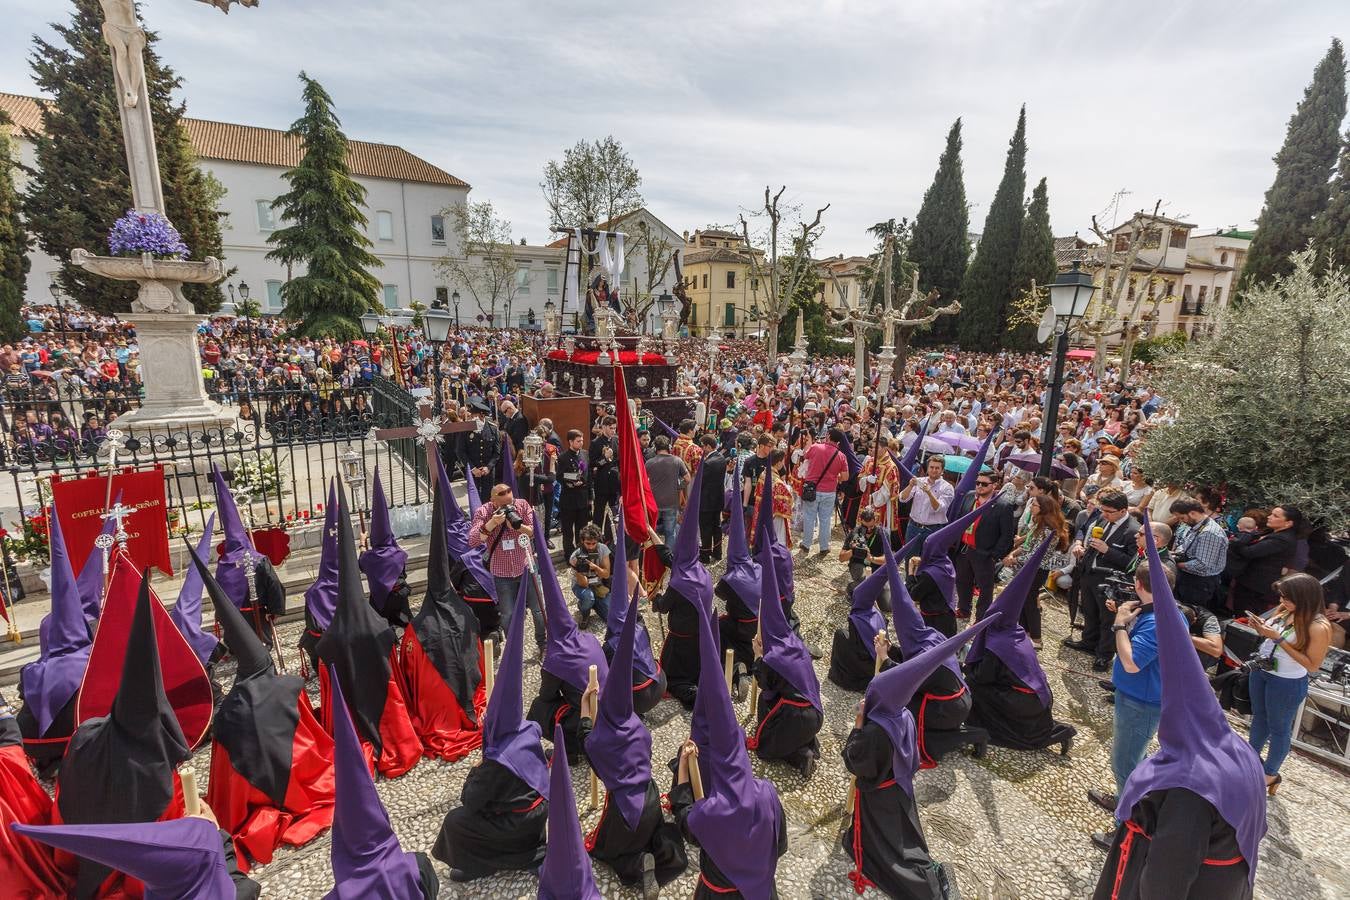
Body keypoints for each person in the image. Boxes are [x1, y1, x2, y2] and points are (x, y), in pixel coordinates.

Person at [1091, 525, 1267, 899]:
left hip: (1195, 884)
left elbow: (1167, 877)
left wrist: (1121, 623)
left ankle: (1118, 815)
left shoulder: (1191, 785)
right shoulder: (1239, 752)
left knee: (1126, 761)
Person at [844, 619, 995, 899]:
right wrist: (884, 658)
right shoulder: (903, 715)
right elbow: (897, 683)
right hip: (901, 788)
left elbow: (855, 761)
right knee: (906, 840)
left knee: (889, 854)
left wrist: (857, 726)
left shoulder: (875, 731)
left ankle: (932, 888)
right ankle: (929, 871)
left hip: (880, 798)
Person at [433, 582, 549, 883]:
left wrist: (476, 769)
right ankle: (531, 852)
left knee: (456, 821)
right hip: (540, 813)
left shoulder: (497, 757)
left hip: (519, 821)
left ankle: (482, 864)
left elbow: (470, 800)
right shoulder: (527, 730)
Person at [581, 588, 688, 897]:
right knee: (650, 832)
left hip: (627, 811)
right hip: (652, 798)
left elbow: (588, 742)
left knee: (605, 851)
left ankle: (638, 864)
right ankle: (656, 848)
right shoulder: (640, 730)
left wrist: (587, 713)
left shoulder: (600, 741)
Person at [1086, 559, 1170, 850]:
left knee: (1125, 764)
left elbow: (1132, 662)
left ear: (1138, 584)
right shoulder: (1156, 611)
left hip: (1141, 700)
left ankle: (1126, 829)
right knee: (1134, 758)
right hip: (1137, 696)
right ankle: (1124, 800)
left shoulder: (1158, 621)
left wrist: (1120, 625)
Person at [965, 538, 1077, 756]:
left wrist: (966, 666)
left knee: (975, 687)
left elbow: (984, 676)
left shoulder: (998, 643)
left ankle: (980, 731)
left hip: (1025, 700)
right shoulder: (1015, 631)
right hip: (1037, 694)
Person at [1244, 573, 1332, 794]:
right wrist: (1261, 629)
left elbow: (1312, 665)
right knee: (1259, 718)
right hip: (1263, 672)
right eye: (1281, 597)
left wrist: (1278, 639)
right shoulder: (1284, 611)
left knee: (1279, 728)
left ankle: (1270, 773)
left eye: (1287, 598)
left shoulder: (1318, 626)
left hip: (1286, 682)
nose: (1282, 601)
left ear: (1303, 598)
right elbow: (1271, 636)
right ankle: (1250, 761)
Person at [746, 538, 823, 778]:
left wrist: (759, 658)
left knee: (766, 748)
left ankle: (801, 754)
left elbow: (765, 685)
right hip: (816, 712)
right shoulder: (796, 644)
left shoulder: (773, 657)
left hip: (798, 715)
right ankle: (809, 742)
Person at [1064, 488, 1140, 672]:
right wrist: (1081, 548)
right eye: (1103, 510)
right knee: (1089, 610)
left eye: (1109, 512)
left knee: (1108, 618)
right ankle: (1088, 641)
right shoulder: (1102, 519)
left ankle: (1104, 655)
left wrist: (1108, 550)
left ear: (1123, 511)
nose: (1104, 515)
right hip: (1090, 572)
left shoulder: (1133, 531)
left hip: (1110, 580)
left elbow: (1133, 562)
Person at [469, 482, 543, 651]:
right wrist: (491, 524)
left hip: (526, 567)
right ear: (493, 501)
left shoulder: (522, 505)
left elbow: (533, 531)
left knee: (538, 610)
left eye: (510, 503)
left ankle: (542, 643)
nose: (508, 508)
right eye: (503, 506)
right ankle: (514, 650)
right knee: (508, 615)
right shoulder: (484, 512)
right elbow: (472, 540)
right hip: (502, 574)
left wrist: (517, 526)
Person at [1003, 494, 1072, 647]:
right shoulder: (1038, 525)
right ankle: (1023, 631)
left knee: (1030, 601)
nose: (1031, 507)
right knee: (1022, 600)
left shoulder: (1048, 531)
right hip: (1026, 568)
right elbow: (1027, 546)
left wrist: (1014, 560)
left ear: (1043, 509)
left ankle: (1036, 638)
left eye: (1034, 505)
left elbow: (1037, 556)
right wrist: (1013, 553)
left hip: (1037, 571)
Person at [952, 470, 1017, 621]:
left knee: (985, 589)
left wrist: (994, 555)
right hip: (964, 548)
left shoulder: (1003, 506)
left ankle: (981, 618)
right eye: (978, 483)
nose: (979, 486)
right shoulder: (969, 497)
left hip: (984, 553)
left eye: (984, 484)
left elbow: (1006, 535)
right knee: (962, 581)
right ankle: (964, 609)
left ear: (994, 486)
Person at [1228, 505, 1303, 614]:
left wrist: (1236, 543)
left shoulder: (1283, 539)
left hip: (1255, 586)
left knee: (1245, 615)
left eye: (1275, 516)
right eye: (1271, 514)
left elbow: (1250, 552)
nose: (1269, 517)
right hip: (1250, 583)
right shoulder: (1276, 534)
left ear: (1288, 523)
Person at [1170, 498, 1228, 614]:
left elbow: (1202, 564)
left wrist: (1177, 564)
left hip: (1199, 584)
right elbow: (1186, 547)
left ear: (1192, 513)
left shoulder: (1209, 533)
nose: (1182, 521)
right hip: (1188, 578)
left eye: (1182, 518)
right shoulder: (1195, 526)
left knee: (1190, 613)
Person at [798, 428, 850, 555]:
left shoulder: (816, 447)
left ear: (828, 436)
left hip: (812, 488)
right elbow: (845, 477)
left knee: (809, 517)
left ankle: (806, 544)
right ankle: (824, 546)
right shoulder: (841, 456)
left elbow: (805, 456)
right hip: (829, 491)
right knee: (826, 519)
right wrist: (835, 476)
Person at [899, 454, 954, 561]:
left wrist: (929, 492)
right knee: (909, 559)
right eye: (931, 467)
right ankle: (909, 578)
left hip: (932, 530)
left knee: (928, 561)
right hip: (913, 527)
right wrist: (910, 486)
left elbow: (938, 508)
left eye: (937, 468)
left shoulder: (947, 487)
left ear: (942, 470)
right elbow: (902, 498)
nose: (934, 470)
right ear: (927, 468)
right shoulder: (919, 481)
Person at [455, 397, 501, 509]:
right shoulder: (466, 429)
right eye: (471, 416)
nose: (472, 418)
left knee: (487, 497)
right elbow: (460, 451)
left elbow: (497, 452)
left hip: (488, 470)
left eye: (475, 416)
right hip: (473, 470)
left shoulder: (493, 429)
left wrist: (488, 467)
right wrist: (472, 468)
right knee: (474, 497)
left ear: (482, 415)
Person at [841, 508, 889, 610]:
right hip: (858, 564)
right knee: (866, 580)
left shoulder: (882, 533)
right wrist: (853, 551)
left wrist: (871, 558)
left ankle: (864, 589)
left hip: (876, 566)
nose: (868, 531)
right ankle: (852, 588)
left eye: (871, 527)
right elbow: (841, 558)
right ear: (860, 521)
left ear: (875, 520)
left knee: (886, 605)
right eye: (865, 527)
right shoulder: (855, 532)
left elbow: (888, 559)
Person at [646, 435, 689, 547]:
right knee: (670, 533)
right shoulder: (677, 461)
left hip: (653, 503)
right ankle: (668, 559)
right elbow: (687, 479)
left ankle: (654, 557)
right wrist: (678, 487)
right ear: (669, 447)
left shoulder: (649, 463)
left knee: (651, 532)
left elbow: (643, 482)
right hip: (672, 502)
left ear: (655, 448)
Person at [569, 524, 613, 628]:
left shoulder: (603, 549)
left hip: (598, 584)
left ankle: (595, 604)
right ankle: (585, 612)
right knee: (588, 597)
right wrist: (580, 568)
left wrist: (595, 568)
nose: (591, 546)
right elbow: (583, 584)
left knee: (609, 615)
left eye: (594, 543)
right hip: (581, 586)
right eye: (588, 543)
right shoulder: (576, 556)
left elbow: (606, 574)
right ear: (582, 541)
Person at [556, 428, 590, 560]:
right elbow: (559, 476)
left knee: (582, 529)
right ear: (570, 442)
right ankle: (569, 554)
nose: (581, 443)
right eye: (578, 441)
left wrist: (590, 497)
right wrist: (572, 480)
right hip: (569, 498)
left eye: (582, 440)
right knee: (568, 530)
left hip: (582, 497)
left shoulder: (585, 454)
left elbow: (588, 476)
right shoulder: (563, 457)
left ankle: (582, 551)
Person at [697, 434, 727, 564]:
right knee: (717, 527)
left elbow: (701, 483)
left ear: (708, 446)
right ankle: (718, 552)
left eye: (702, 446)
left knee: (706, 528)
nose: (701, 449)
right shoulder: (721, 458)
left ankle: (705, 554)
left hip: (706, 500)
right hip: (718, 499)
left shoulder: (707, 463)